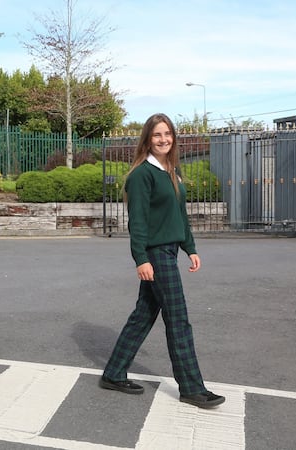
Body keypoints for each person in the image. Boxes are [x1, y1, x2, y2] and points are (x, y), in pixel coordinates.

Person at [99, 113, 225, 409]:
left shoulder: (171, 170)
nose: (163, 139)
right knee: (178, 318)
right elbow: (138, 221)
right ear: (147, 139)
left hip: (169, 251)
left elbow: (180, 214)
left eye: (167, 134)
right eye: (157, 135)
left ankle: (114, 373)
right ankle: (192, 388)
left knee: (144, 314)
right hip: (155, 254)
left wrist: (190, 248)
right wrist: (140, 258)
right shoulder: (143, 174)